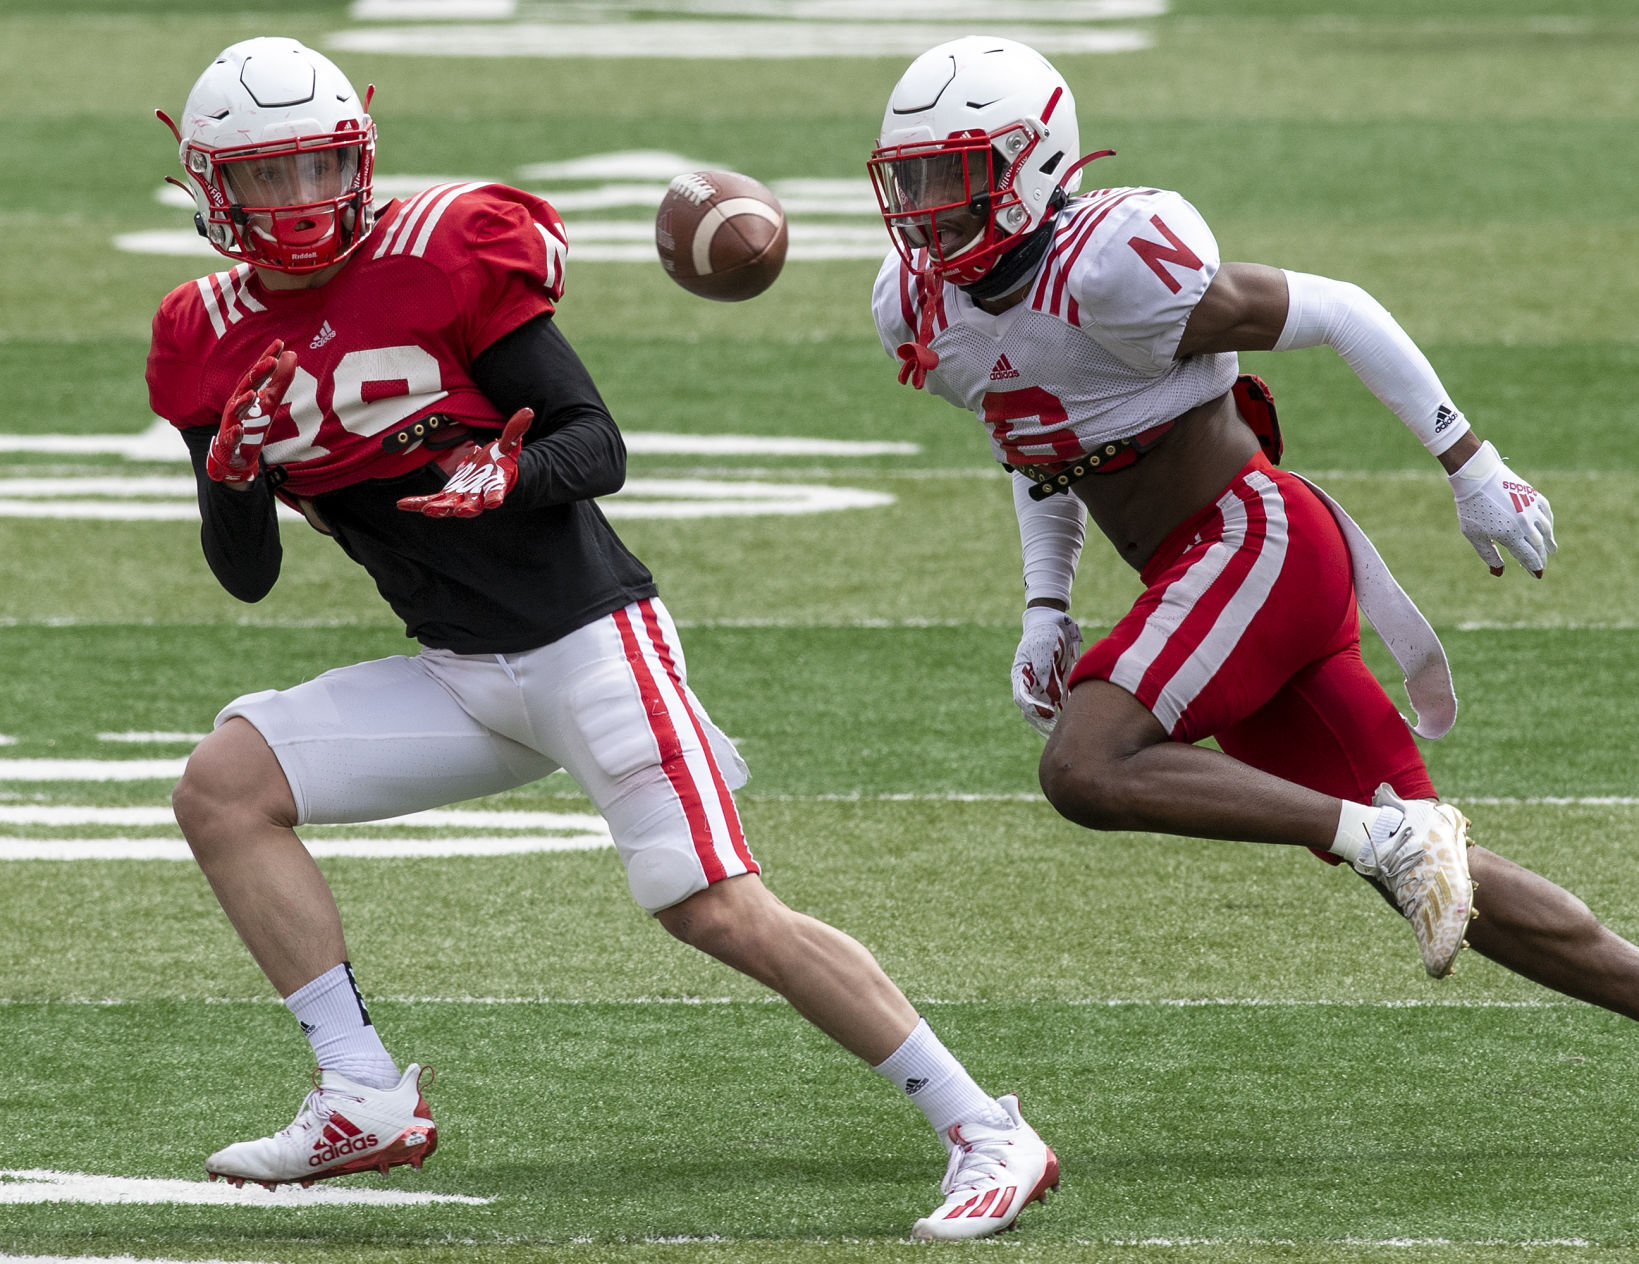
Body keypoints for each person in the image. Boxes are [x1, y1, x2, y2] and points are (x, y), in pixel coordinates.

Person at [147, 36, 1057, 1240]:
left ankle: (986, 1127)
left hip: (589, 642)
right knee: (221, 789)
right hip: (458, 673)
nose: (302, 200)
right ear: (215, 188)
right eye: (270, 177)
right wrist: (233, 470)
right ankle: (360, 1092)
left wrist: (502, 476)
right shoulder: (202, 333)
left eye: (320, 165)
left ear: (360, 155)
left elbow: (596, 443)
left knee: (712, 905)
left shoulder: (446, 252)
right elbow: (246, 575)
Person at [869, 37, 1639, 1015]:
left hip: (1253, 544)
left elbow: (1340, 310)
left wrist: (1469, 461)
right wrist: (1044, 603)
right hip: (1220, 572)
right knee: (1448, 881)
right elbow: (1038, 436)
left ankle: (1379, 834)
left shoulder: (1111, 266)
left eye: (956, 174)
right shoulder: (916, 307)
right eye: (914, 177)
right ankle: (1409, 850)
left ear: (1034, 163)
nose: (929, 205)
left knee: (1085, 764)